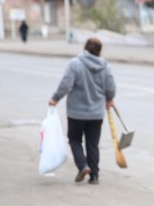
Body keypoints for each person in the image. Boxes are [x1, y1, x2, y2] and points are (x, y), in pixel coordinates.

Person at [48, 38, 116, 185]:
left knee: (74, 140)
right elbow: (111, 87)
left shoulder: (75, 64)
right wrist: (109, 99)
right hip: (96, 114)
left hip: (76, 113)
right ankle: (94, 176)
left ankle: (83, 166)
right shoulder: (105, 66)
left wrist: (55, 99)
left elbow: (65, 84)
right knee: (92, 144)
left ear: (85, 48)